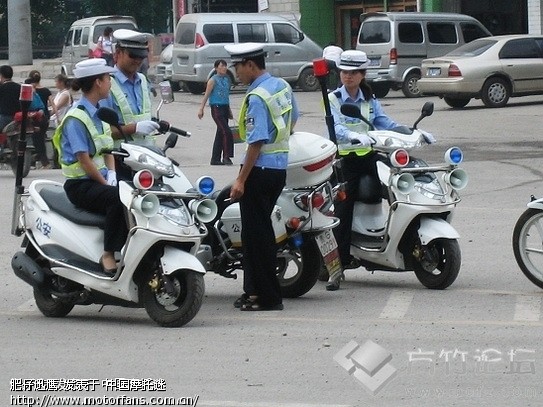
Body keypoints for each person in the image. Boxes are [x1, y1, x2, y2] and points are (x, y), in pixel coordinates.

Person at [225, 43, 299, 311]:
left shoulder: (256, 96)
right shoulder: (282, 87)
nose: (237, 72)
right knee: (257, 233)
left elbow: (255, 143)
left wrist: (241, 180)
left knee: (258, 239)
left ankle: (267, 297)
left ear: (250, 65)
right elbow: (293, 120)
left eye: (238, 66)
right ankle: (253, 292)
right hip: (278, 171)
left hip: (258, 171)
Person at [326, 50, 401, 291]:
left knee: (398, 185)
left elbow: (382, 121)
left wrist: (407, 131)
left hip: (369, 156)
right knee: (343, 209)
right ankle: (338, 265)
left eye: (353, 72)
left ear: (362, 75)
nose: (347, 76)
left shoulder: (369, 97)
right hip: (346, 161)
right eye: (344, 72)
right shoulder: (334, 98)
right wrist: (352, 136)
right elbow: (336, 127)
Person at [52, 58, 127, 275]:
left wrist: (112, 173)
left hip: (99, 179)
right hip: (80, 185)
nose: (110, 83)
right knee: (116, 198)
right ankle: (108, 253)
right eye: (107, 78)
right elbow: (84, 160)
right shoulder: (76, 118)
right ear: (98, 82)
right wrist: (107, 183)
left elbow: (107, 149)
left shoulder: (100, 113)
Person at [100, 29, 159, 142]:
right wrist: (134, 128)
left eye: (141, 57)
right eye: (132, 56)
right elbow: (102, 131)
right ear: (118, 53)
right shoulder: (106, 85)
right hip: (121, 156)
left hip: (148, 155)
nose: (137, 61)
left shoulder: (143, 81)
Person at [197, 59, 234, 165]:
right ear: (216, 68)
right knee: (226, 132)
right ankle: (226, 157)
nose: (224, 68)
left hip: (225, 107)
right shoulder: (212, 80)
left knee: (220, 133)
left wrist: (229, 110)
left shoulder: (227, 80)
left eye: (225, 66)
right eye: (222, 66)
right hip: (216, 108)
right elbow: (206, 95)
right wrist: (201, 108)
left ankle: (215, 159)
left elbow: (226, 96)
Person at [27, 70, 56, 168]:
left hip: (35, 118)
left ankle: (43, 161)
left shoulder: (31, 90)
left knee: (37, 140)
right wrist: (50, 115)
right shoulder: (45, 90)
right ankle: (40, 159)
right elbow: (53, 105)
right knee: (40, 139)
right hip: (44, 118)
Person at [0, 65, 21, 131]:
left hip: (4, 117)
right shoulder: (19, 87)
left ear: (1, 75)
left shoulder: (2, 88)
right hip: (18, 117)